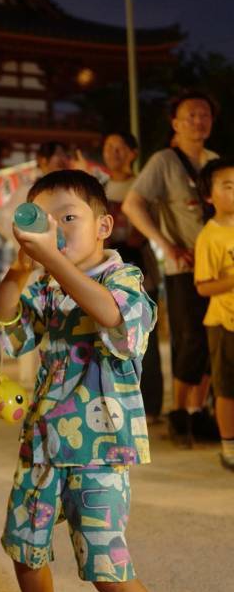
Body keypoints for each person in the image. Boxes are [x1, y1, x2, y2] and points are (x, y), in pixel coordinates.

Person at [0, 170, 186, 592]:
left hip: (100, 451)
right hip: (43, 443)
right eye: (42, 220)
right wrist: (22, 268)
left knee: (106, 566)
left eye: (67, 217)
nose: (55, 229)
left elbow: (113, 318)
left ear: (104, 225)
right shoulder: (45, 281)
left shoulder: (124, 280)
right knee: (24, 546)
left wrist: (54, 263)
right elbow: (5, 321)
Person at [122, 90, 219, 447]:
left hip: (218, 265)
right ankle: (179, 413)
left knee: (214, 340)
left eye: (205, 114)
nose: (199, 120)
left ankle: (198, 412)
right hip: (183, 267)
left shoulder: (214, 160)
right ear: (175, 123)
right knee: (190, 339)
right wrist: (165, 245)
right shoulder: (164, 160)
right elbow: (133, 205)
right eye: (190, 115)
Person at [103, 131, 163, 419]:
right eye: (108, 147)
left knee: (143, 335)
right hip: (106, 270)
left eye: (120, 148)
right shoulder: (99, 188)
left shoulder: (142, 187)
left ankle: (150, 405)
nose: (113, 152)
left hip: (141, 268)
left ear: (133, 153)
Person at [194, 159, 234, 470]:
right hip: (224, 322)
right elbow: (204, 287)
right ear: (209, 195)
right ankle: (228, 446)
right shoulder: (210, 236)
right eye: (228, 186)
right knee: (226, 388)